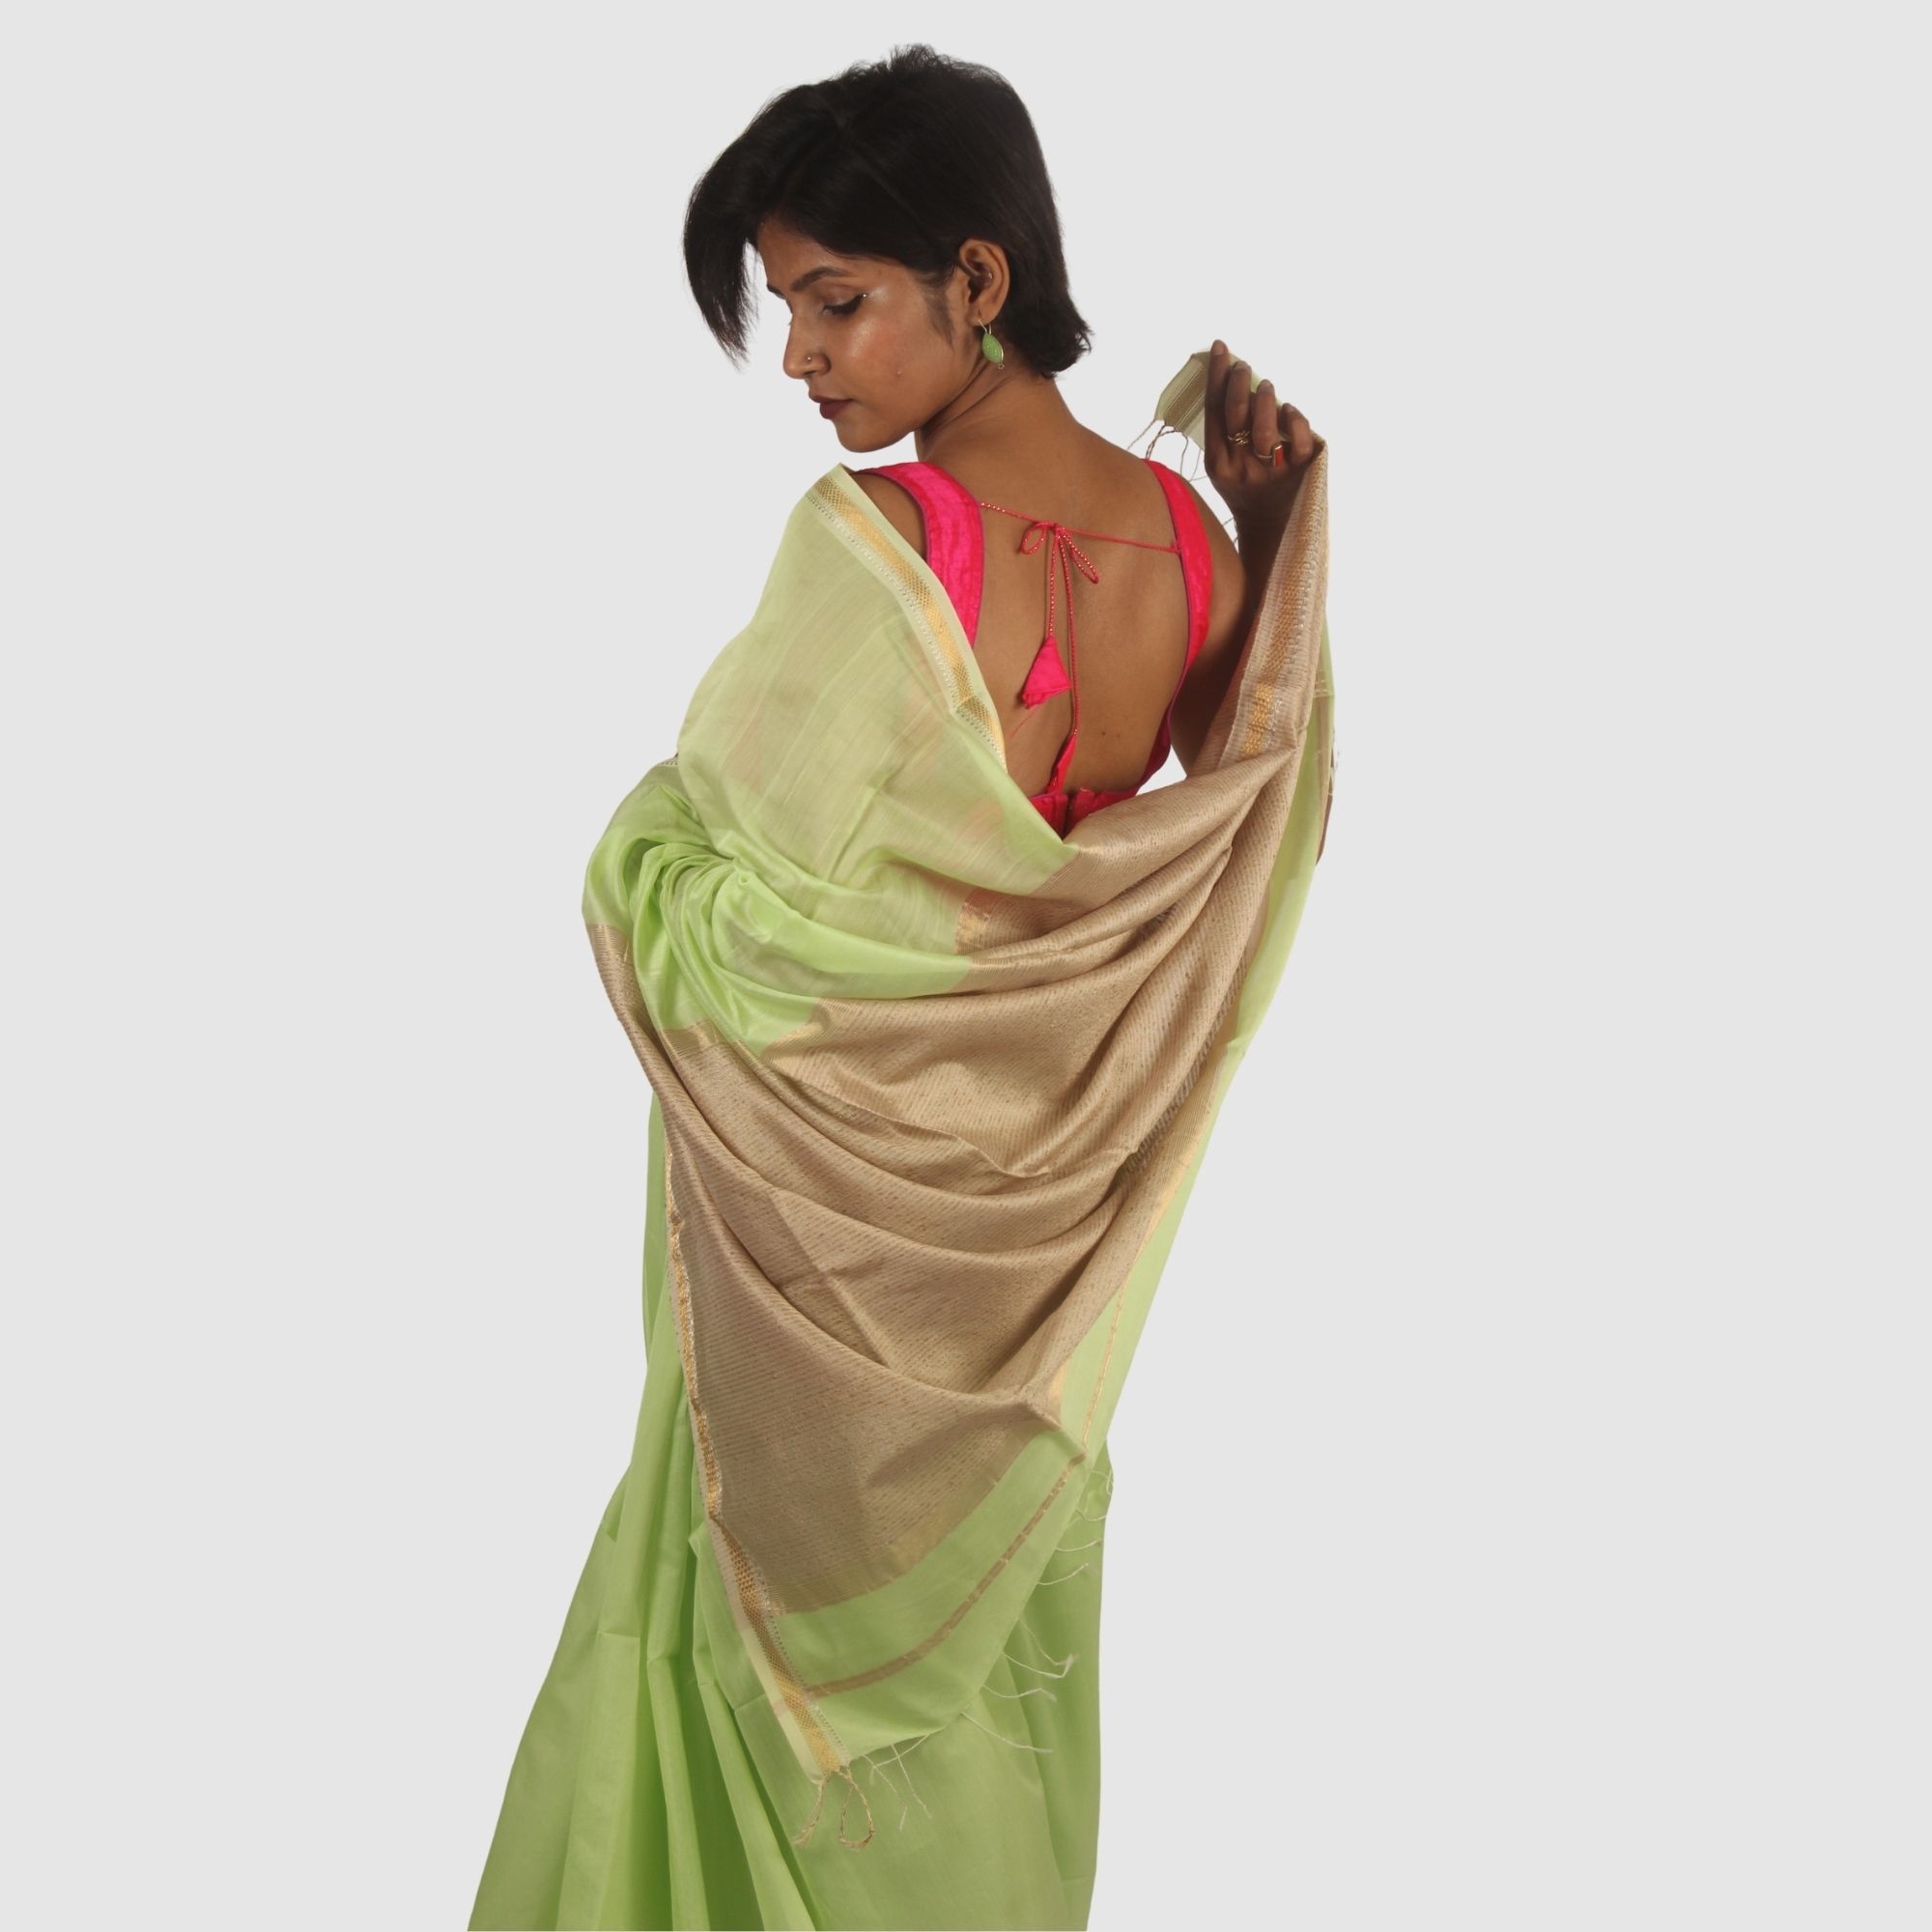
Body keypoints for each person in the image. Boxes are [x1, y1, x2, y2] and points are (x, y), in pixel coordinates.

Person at [469, 43, 1333, 1932]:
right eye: (787, 308)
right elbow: (1215, 833)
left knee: (730, 1579)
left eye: (834, 300)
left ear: (978, 279)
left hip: (817, 1213)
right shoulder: (1192, 555)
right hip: (1038, 1237)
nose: (798, 357)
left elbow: (723, 906)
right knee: (982, 1618)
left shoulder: (872, 549)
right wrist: (1276, 548)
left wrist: (639, 849)